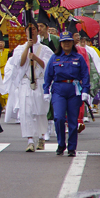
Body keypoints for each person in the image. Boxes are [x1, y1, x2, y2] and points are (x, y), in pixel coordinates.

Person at [8, 15, 54, 152]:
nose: (32, 31)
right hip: (25, 83)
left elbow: (48, 65)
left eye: (34, 28)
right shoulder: (19, 48)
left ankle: (41, 137)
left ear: (38, 31)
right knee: (26, 111)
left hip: (39, 82)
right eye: (29, 29)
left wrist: (36, 58)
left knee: (40, 111)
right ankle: (29, 140)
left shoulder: (45, 49)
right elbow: (20, 63)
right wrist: (27, 47)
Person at [43, 30, 90, 157]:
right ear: (60, 44)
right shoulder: (54, 58)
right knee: (58, 117)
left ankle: (72, 147)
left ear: (72, 42)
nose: (66, 44)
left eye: (69, 41)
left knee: (73, 121)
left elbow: (85, 75)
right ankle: (61, 144)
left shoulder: (78, 58)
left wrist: (85, 91)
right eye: (64, 42)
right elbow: (48, 75)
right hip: (59, 89)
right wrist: (45, 91)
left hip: (74, 89)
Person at [38, 9, 59, 140]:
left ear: (47, 27)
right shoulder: (36, 42)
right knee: (43, 100)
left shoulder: (56, 40)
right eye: (37, 26)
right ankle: (45, 127)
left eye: (41, 26)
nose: (39, 29)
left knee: (55, 101)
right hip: (41, 75)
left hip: (56, 74)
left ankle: (53, 124)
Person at [0, 33, 9, 110]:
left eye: (2, 42)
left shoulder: (8, 51)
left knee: (6, 90)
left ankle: (6, 105)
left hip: (5, 73)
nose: (0, 44)